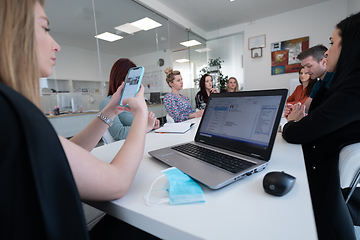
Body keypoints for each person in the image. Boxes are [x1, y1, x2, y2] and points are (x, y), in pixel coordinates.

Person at [0, 0, 158, 239]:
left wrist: (111, 111)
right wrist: (141, 116)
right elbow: (118, 182)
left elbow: (62, 153)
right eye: (44, 29)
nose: (56, 46)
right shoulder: (14, 113)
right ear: (12, 32)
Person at [282, 12, 360, 240]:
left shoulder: (354, 88)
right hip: (321, 167)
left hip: (323, 180)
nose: (327, 51)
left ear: (351, 47)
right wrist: (328, 76)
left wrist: (291, 123)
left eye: (332, 43)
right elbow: (315, 114)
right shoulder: (342, 83)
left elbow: (299, 131)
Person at [99, 58, 160, 141]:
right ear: (120, 80)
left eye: (137, 80)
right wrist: (146, 127)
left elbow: (141, 125)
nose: (136, 84)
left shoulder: (133, 101)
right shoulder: (107, 102)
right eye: (131, 79)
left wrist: (152, 124)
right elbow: (119, 133)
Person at [283, 45, 330, 118]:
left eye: (309, 66)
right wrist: (292, 110)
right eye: (304, 67)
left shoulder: (336, 79)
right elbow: (306, 108)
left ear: (324, 62)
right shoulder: (318, 84)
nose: (306, 71)